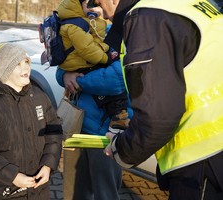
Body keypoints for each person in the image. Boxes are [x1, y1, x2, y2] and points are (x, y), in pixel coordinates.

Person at [85, 0, 223, 199]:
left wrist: (121, 148)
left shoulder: (148, 19)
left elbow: (157, 119)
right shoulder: (193, 6)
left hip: (200, 165)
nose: (104, 15)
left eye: (99, 3)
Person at [0, 43, 63, 200]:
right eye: (17, 64)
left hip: (39, 189)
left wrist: (48, 165)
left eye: (26, 62)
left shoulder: (39, 97)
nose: (26, 68)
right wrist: (13, 176)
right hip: (7, 190)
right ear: (4, 70)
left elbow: (54, 132)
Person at [57, 0, 130, 133]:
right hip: (80, 124)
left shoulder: (133, 36)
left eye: (99, 5)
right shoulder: (96, 31)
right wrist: (64, 75)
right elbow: (65, 63)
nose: (100, 12)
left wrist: (77, 80)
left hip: (110, 132)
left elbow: (116, 80)